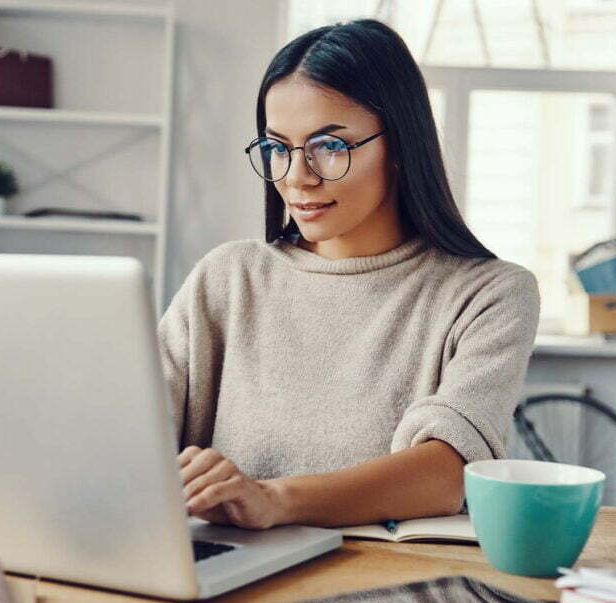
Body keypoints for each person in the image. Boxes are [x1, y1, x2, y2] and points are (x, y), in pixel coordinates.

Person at [157, 19, 540, 530]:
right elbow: (133, 429)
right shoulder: (227, 278)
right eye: (277, 148)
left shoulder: (490, 294)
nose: (297, 177)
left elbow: (447, 473)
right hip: (228, 583)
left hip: (388, 593)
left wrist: (274, 499)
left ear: (401, 146)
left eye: (329, 146)